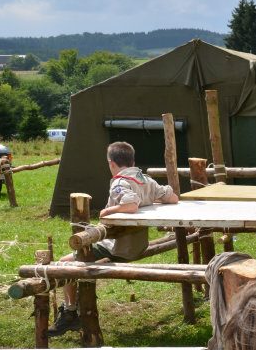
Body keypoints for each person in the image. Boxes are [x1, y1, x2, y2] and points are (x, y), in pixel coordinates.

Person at [48, 141, 178, 336]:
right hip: (138, 246)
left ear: (111, 163)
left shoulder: (119, 182)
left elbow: (131, 204)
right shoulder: (145, 180)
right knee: (77, 259)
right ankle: (73, 310)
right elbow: (172, 197)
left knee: (63, 264)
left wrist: (107, 210)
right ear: (132, 160)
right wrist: (150, 199)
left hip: (118, 248)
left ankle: (70, 313)